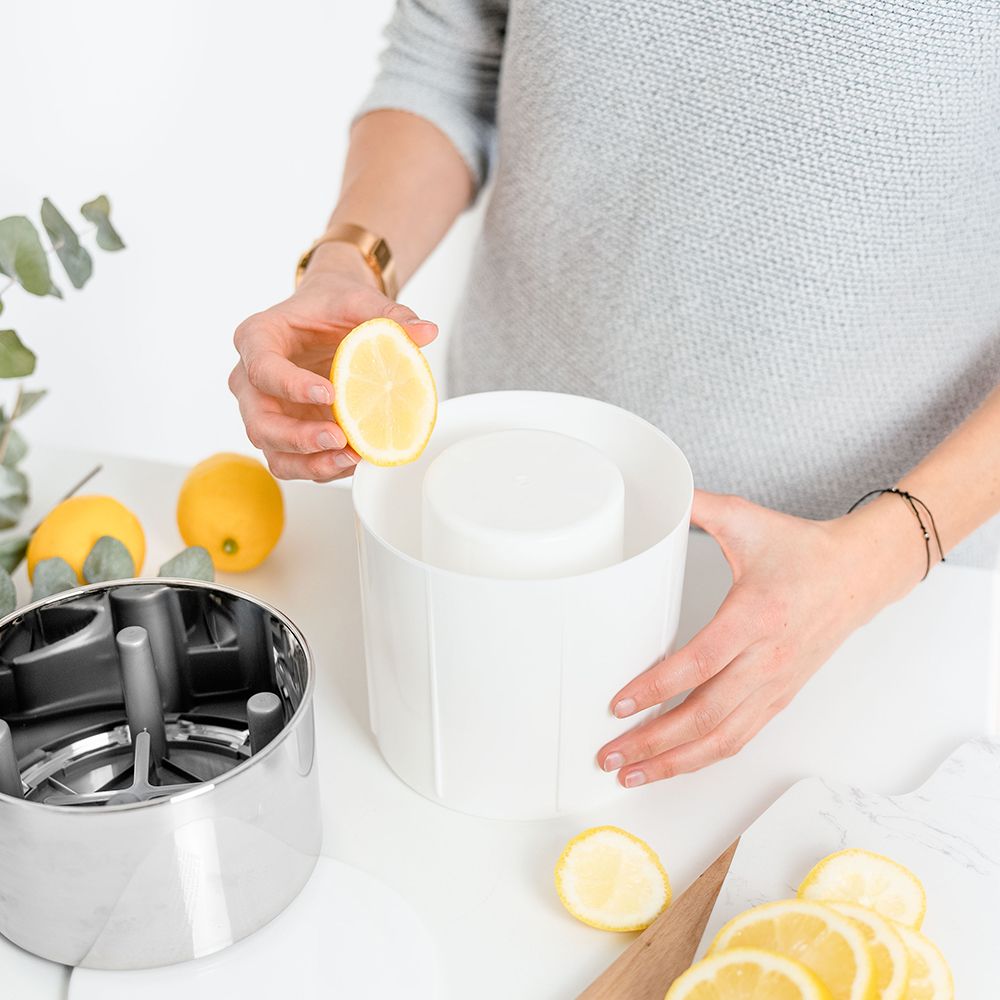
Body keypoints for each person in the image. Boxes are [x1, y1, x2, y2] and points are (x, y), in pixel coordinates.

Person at [229, 1, 1000, 788]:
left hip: (872, 581)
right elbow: (448, 58)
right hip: (483, 506)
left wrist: (878, 555)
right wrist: (348, 265)